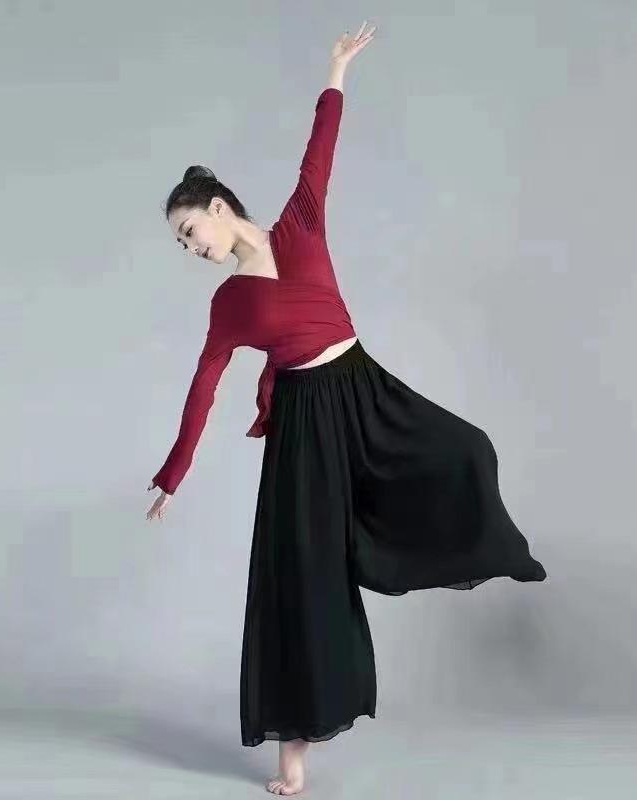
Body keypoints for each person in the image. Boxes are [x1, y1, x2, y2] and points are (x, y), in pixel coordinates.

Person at [145, 22, 546, 797]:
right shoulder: (229, 305)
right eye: (183, 246)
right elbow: (204, 385)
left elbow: (319, 148)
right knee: (302, 572)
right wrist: (173, 474)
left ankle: (492, 549)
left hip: (362, 386)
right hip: (302, 423)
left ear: (220, 207)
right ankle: (292, 758)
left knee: (468, 449)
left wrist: (336, 71)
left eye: (191, 231)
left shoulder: (301, 221)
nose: (192, 248)